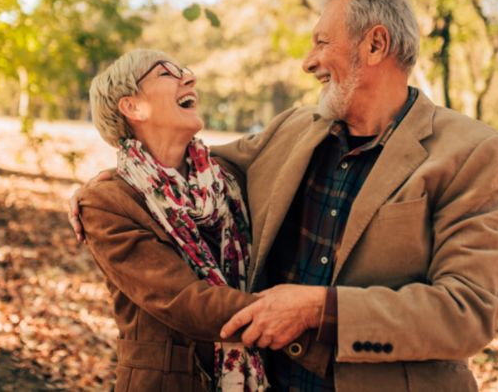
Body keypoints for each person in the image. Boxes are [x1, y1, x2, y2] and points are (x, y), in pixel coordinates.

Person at [71, 0, 498, 391]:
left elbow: (467, 313)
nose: (309, 62)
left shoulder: (472, 153)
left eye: (322, 42)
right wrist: (102, 188)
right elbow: (178, 168)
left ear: (376, 45)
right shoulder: (293, 130)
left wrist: (320, 308)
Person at [74, 49, 326, 391]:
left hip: (258, 376)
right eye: (166, 73)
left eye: (184, 71)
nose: (189, 78)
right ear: (132, 107)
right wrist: (293, 314)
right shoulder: (107, 202)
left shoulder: (227, 176)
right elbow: (183, 301)